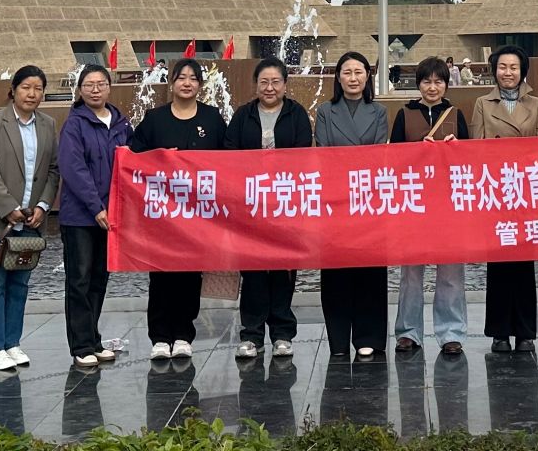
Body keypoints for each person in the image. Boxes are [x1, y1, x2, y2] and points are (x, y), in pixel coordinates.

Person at [128, 57, 228, 361]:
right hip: (162, 213)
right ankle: (160, 336)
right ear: (171, 83)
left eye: (193, 78)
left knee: (190, 274)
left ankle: (184, 334)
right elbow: (133, 156)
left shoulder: (212, 118)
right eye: (181, 77)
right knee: (161, 274)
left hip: (198, 212)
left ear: (200, 85)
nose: (187, 83)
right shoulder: (154, 119)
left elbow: (229, 160)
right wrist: (159, 157)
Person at [0, 64, 61, 371]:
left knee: (20, 283)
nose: (32, 94)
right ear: (13, 90)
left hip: (32, 219)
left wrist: (43, 206)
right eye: (26, 87)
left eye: (38, 88)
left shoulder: (47, 124)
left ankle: (12, 342)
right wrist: (9, 207)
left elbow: (53, 170)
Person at [225, 57, 313, 359]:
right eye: (264, 82)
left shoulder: (296, 114)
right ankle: (251, 334)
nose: (270, 87)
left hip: (285, 204)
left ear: (285, 85)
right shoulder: (243, 115)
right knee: (253, 271)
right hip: (250, 204)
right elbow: (229, 152)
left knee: (283, 270)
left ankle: (282, 333)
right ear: (256, 85)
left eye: (276, 82)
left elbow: (303, 153)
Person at [468, 45, 538, 353]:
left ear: (522, 70)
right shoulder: (482, 103)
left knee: (525, 264)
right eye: (503, 67)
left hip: (525, 190)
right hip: (496, 191)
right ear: (495, 70)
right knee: (499, 264)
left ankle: (526, 331)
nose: (508, 72)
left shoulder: (536, 104)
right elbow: (476, 147)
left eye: (514, 67)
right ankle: (499, 332)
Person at [390, 56, 472, 356]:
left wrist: (454, 149)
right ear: (418, 84)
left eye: (438, 81)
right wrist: (416, 152)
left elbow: (470, 159)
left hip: (449, 204)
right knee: (411, 272)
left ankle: (451, 332)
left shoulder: (455, 114)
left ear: (446, 85)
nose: (432, 87)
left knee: (451, 272)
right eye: (427, 81)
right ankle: (408, 331)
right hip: (414, 203)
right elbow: (392, 159)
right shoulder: (404, 114)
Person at [314, 50, 389, 359]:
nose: (353, 78)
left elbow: (379, 153)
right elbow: (323, 151)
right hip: (336, 200)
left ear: (367, 77)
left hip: (369, 199)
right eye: (347, 72)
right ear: (338, 77)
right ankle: (338, 338)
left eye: (359, 72)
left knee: (370, 270)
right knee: (336, 271)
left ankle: (369, 334)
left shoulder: (379, 111)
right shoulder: (325, 111)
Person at [57, 62, 130, 368]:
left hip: (111, 215)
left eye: (101, 84)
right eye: (89, 85)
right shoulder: (74, 124)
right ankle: (81, 345)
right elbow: (74, 169)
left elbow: (131, 165)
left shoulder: (121, 123)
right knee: (79, 279)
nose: (95, 90)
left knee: (99, 278)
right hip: (80, 217)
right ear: (80, 90)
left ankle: (94, 339)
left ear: (109, 88)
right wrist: (96, 207)